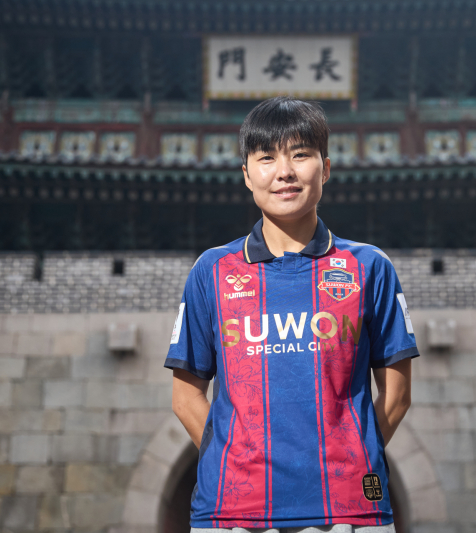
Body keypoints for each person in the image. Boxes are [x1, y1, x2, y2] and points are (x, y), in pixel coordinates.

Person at [165, 96, 418, 532]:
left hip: (350, 510)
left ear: (326, 168)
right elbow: (185, 397)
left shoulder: (369, 267)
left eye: (300, 155)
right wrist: (235, 460)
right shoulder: (212, 271)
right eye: (267, 158)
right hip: (233, 513)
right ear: (247, 174)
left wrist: (353, 458)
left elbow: (396, 396)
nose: (284, 172)